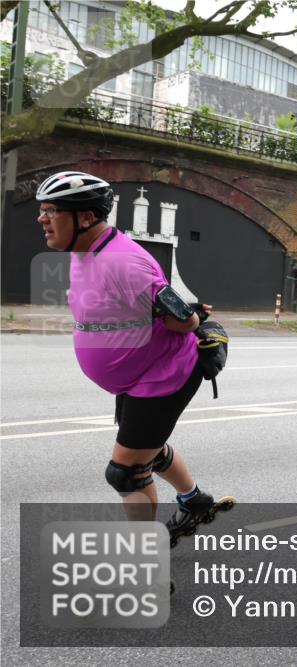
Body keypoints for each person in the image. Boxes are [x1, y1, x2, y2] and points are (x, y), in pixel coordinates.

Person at [36, 171, 229, 543]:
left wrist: (190, 316)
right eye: (42, 210)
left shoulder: (122, 262)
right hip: (137, 376)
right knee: (147, 449)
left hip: (161, 377)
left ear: (86, 217)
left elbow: (184, 321)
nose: (41, 218)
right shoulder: (86, 249)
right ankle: (194, 500)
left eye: (51, 210)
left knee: (126, 472)